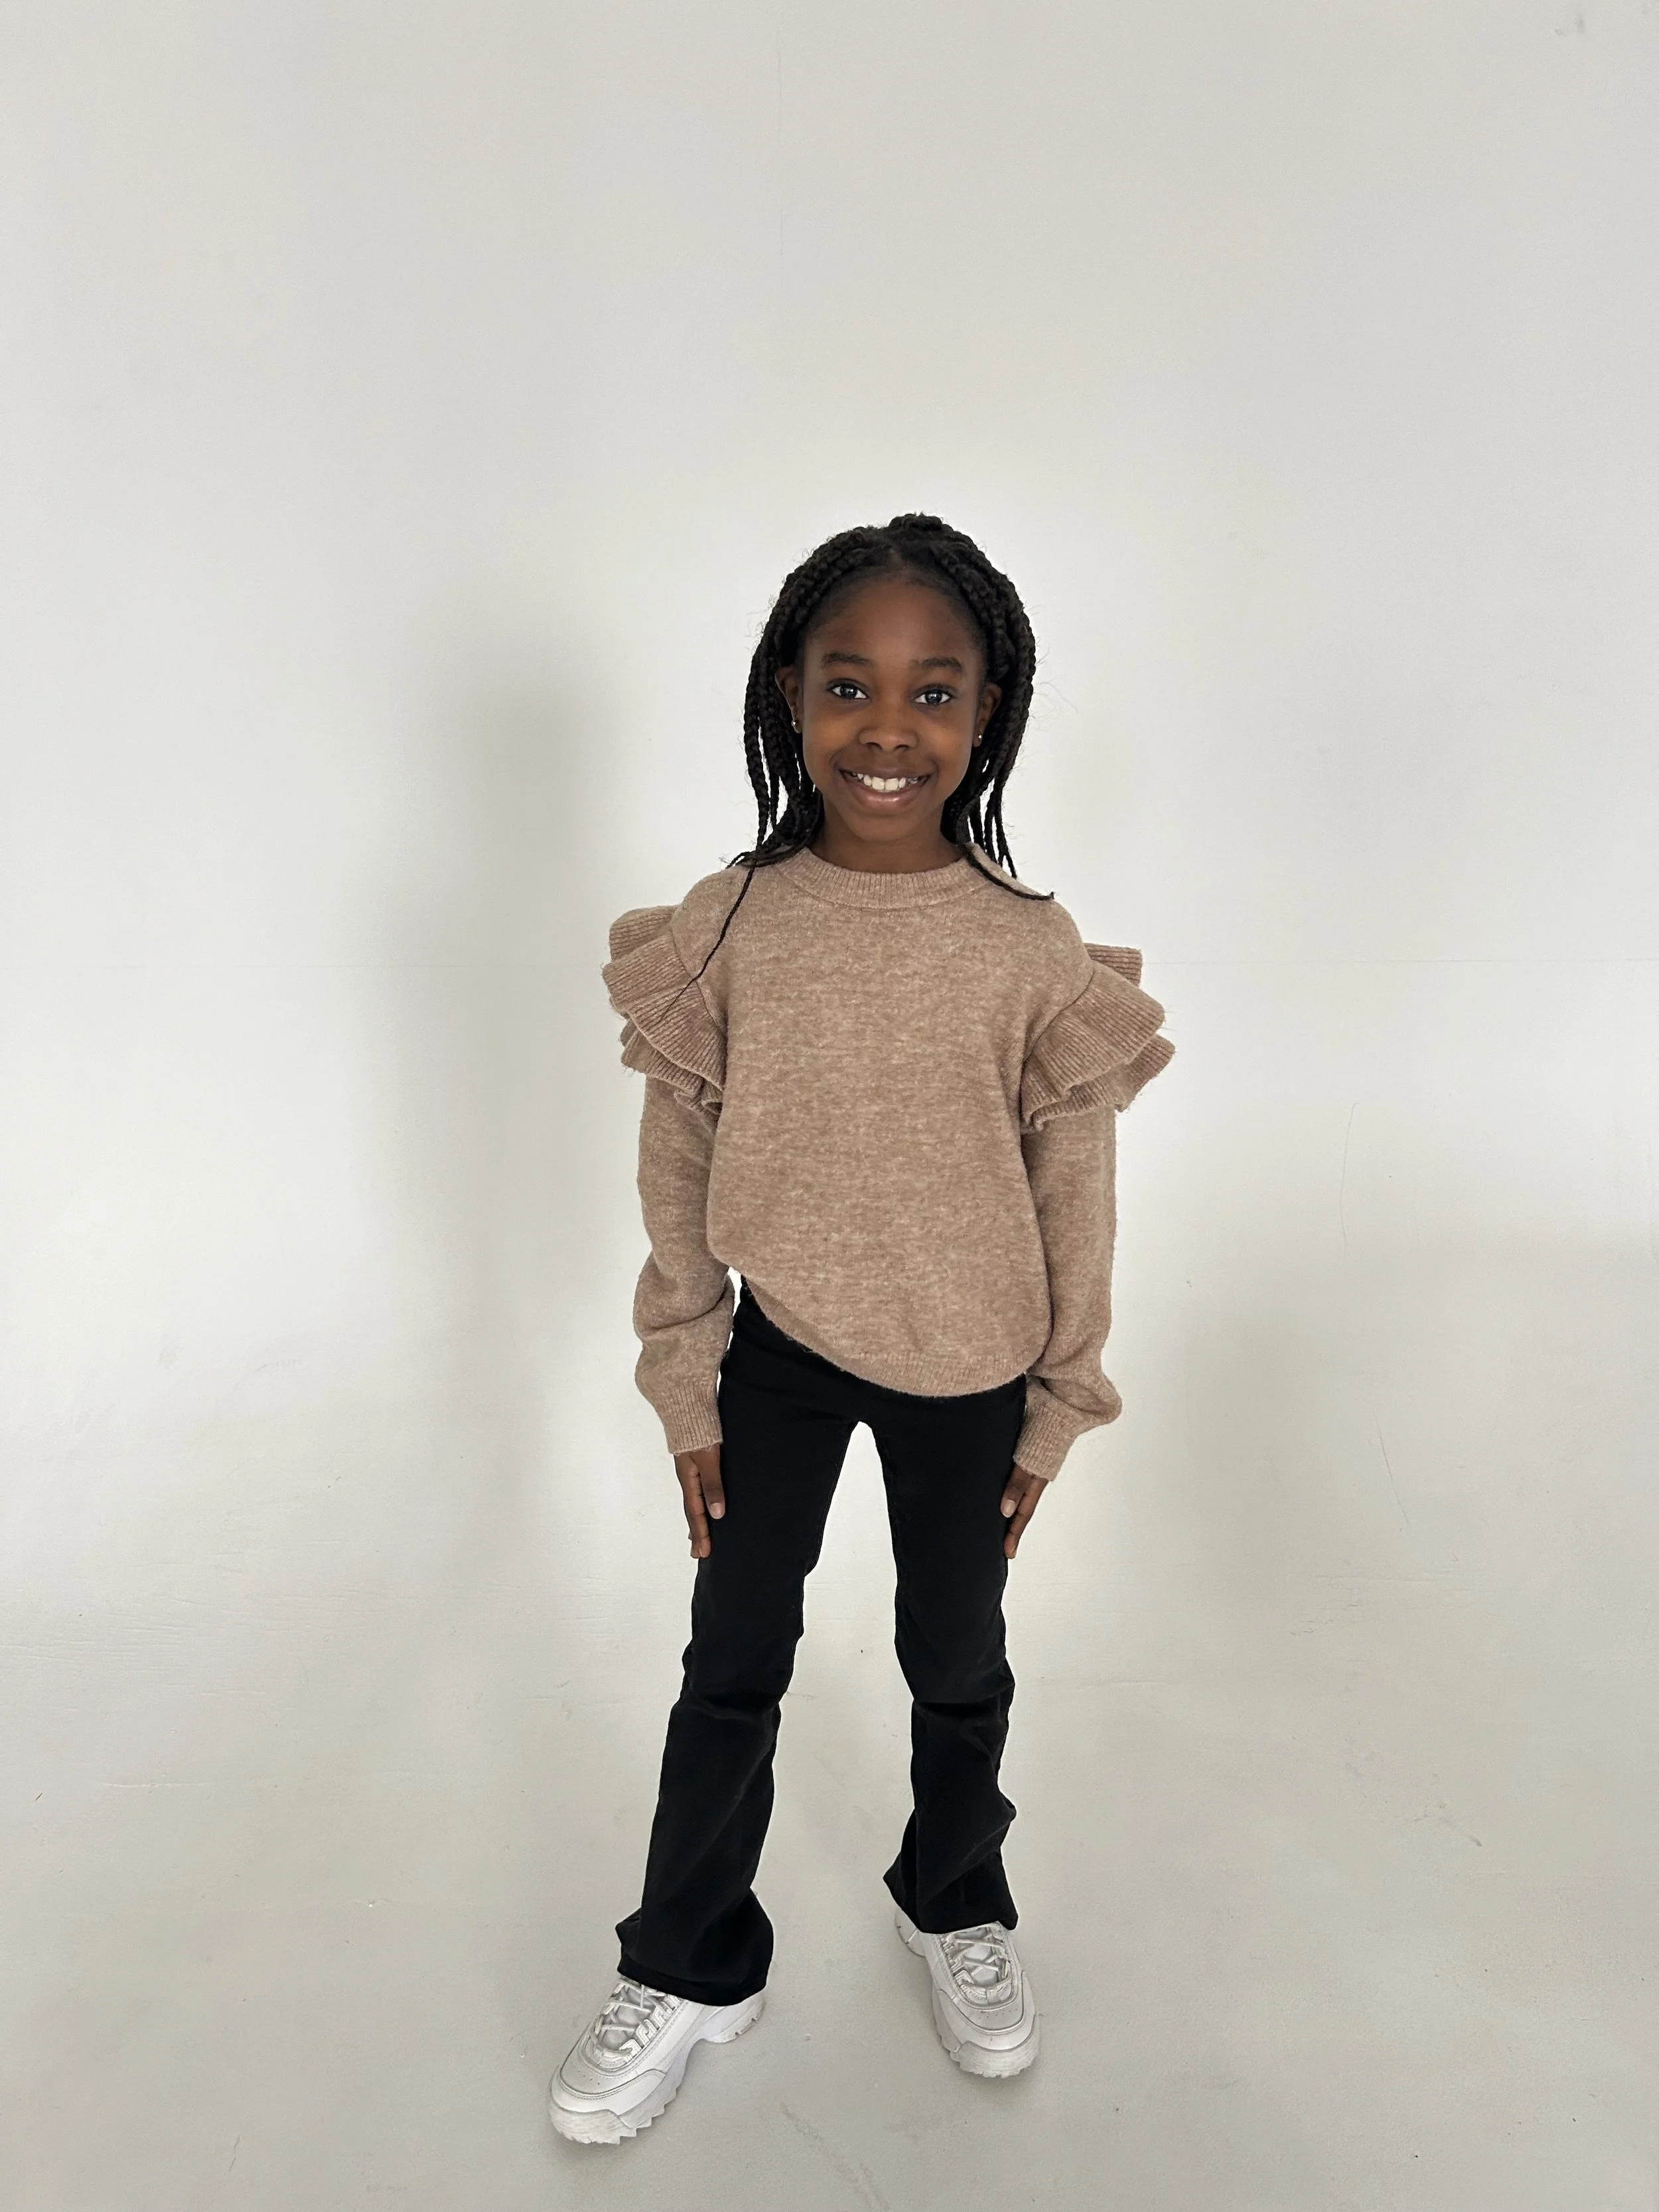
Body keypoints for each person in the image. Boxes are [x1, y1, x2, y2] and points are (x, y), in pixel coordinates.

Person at [549, 514, 1175, 2145]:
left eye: (930, 692)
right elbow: (675, 1166)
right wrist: (685, 1374)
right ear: (786, 696)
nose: (884, 728)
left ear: (987, 718)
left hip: (971, 1367)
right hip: (775, 1358)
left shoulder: (1027, 951)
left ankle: (951, 1892)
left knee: (954, 1660)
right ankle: (688, 1957)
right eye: (847, 684)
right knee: (730, 1661)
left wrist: (1058, 1403)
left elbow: (1076, 1193)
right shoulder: (733, 925)